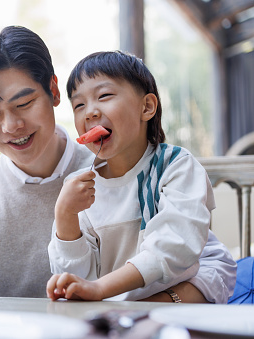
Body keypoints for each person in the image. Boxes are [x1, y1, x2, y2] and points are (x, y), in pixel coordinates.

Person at [0, 26, 236, 302]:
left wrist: (142, 310)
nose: (12, 127)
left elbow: (214, 264)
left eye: (23, 104)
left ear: (54, 92)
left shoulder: (120, 161)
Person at [46, 50, 236, 303]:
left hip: (190, 282)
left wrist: (101, 290)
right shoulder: (80, 188)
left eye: (104, 96)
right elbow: (80, 280)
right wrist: (65, 216)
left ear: (146, 107)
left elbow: (174, 246)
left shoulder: (176, 166)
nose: (90, 112)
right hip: (120, 300)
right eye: (79, 105)